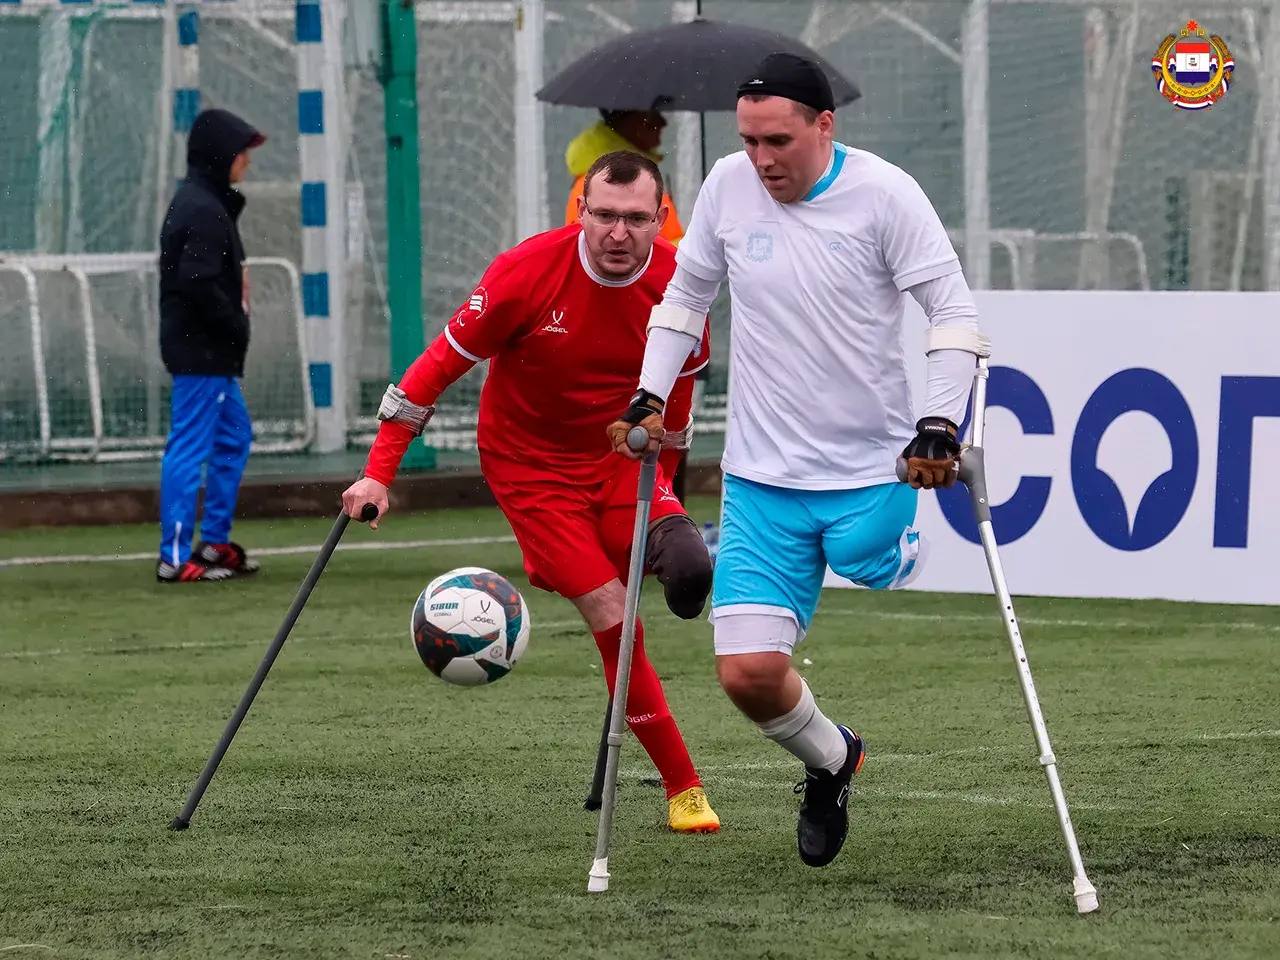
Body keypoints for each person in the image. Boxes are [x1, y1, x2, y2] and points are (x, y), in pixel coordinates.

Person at [608, 53, 991, 867]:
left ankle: (899, 548)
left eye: (777, 141)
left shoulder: (886, 195)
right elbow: (687, 297)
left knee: (864, 559)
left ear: (825, 126)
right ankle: (833, 760)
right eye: (749, 141)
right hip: (762, 478)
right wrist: (648, 393)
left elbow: (952, 312)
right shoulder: (727, 185)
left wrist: (938, 424)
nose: (761, 159)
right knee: (746, 674)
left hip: (869, 469)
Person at [342, 151, 720, 833]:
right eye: (604, 215)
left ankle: (665, 579)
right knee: (613, 610)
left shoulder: (681, 283)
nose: (617, 233)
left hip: (620, 462)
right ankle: (683, 787)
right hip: (531, 468)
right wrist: (378, 472)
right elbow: (431, 373)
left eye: (636, 219)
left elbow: (680, 399)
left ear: (661, 218)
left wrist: (663, 482)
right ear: (581, 211)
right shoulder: (524, 273)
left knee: (692, 570)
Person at [156, 108, 266, 583]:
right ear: (221, 155)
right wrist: (234, 325)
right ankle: (175, 558)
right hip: (201, 353)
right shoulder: (202, 209)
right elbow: (196, 282)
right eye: (241, 151)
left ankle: (214, 543)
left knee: (233, 437)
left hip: (211, 354)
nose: (247, 161)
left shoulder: (208, 203)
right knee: (188, 447)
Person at [564, 110, 684, 245]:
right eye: (651, 115)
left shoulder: (593, 182)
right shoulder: (602, 184)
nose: (662, 122)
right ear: (630, 122)